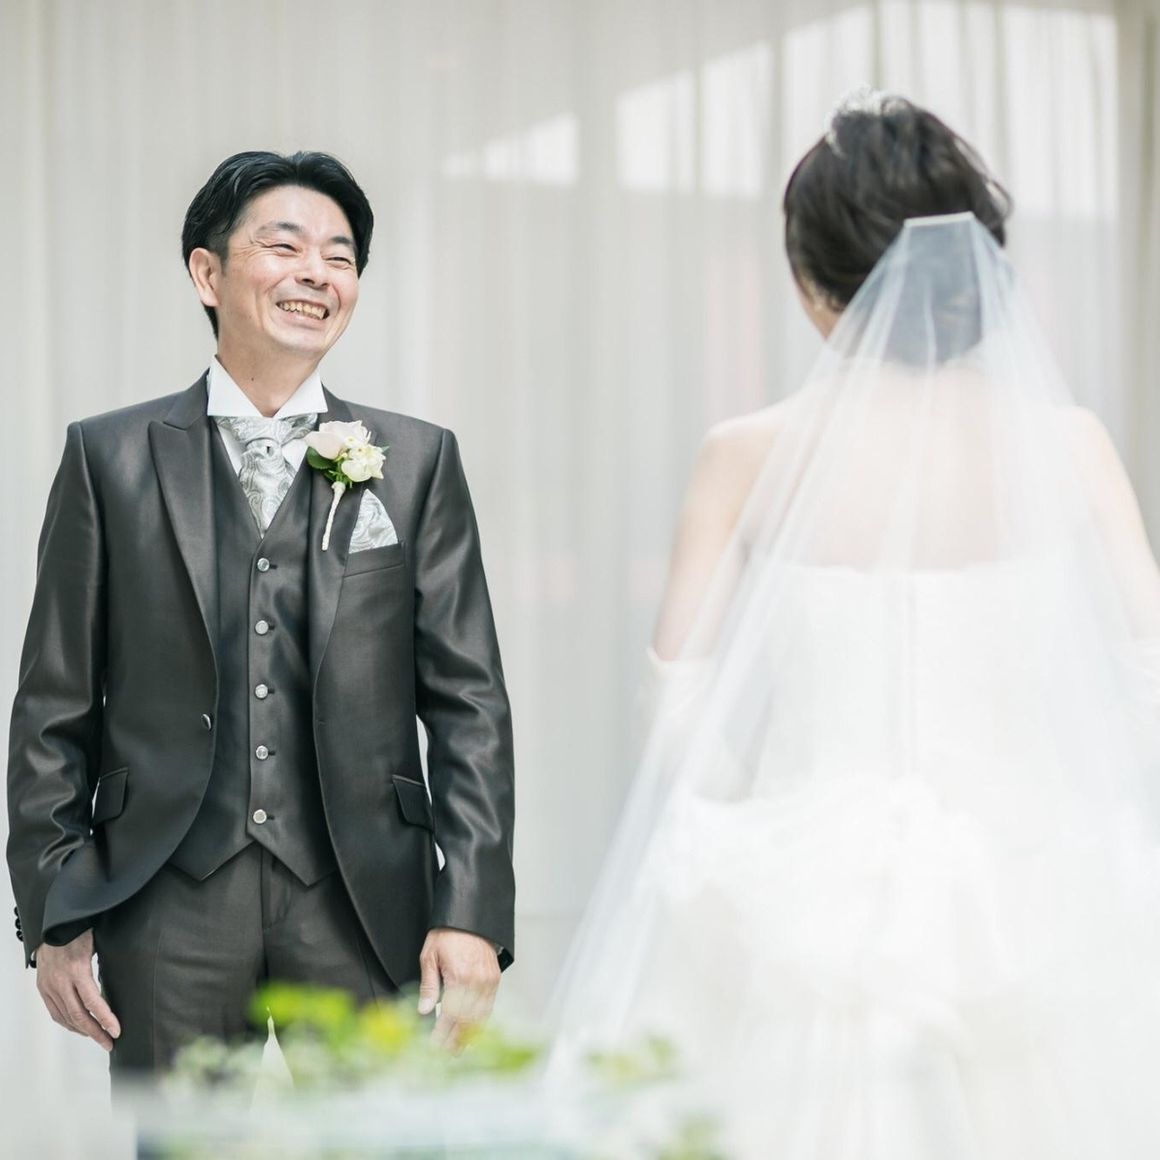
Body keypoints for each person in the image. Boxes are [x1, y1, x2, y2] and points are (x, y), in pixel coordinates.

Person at [549, 92, 1160, 1158]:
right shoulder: (1068, 444)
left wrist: (756, 839)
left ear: (811, 277)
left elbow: (679, 716)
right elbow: (1145, 675)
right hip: (1039, 892)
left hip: (808, 902)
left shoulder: (746, 453)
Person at [7, 150, 515, 1075]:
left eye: (340, 255)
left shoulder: (417, 460)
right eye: (284, 247)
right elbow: (53, 702)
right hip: (165, 898)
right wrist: (54, 906)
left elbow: (470, 705)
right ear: (207, 273)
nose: (317, 272)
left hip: (366, 900)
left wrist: (472, 910)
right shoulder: (108, 458)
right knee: (183, 1140)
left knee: (380, 1140)